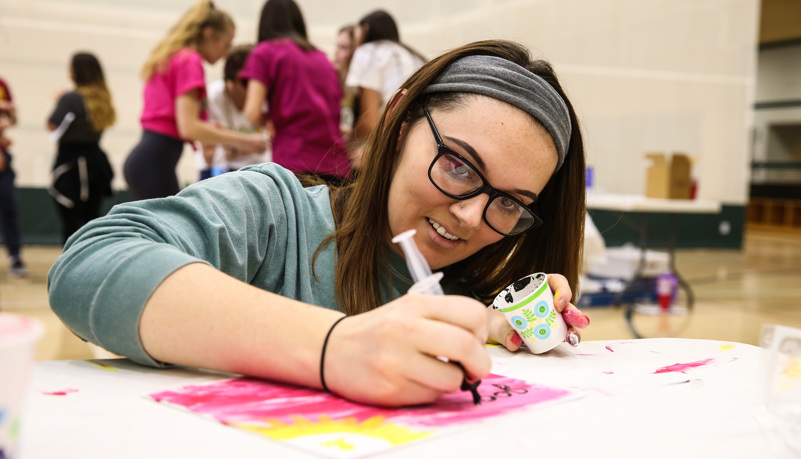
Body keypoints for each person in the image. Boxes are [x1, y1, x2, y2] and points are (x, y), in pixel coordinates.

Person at [48, 39, 590, 408]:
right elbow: (90, 263)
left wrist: (500, 329)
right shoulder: (275, 214)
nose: (473, 216)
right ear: (398, 122)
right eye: (457, 164)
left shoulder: (461, 294)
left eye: (511, 203)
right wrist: (334, 348)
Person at [124, 0, 267, 200]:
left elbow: (183, 122)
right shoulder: (189, 60)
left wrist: (213, 131)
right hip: (155, 159)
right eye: (226, 44)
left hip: (150, 157)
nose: (227, 54)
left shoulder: (172, 56)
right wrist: (246, 141)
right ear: (208, 34)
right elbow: (189, 127)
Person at [240, 0, 350, 185]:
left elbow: (251, 113)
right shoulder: (322, 58)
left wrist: (268, 118)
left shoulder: (265, 52)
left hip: (294, 164)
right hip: (337, 168)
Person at [47, 52, 116, 244]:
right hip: (95, 162)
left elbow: (52, 124)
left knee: (70, 221)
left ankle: (69, 265)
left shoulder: (71, 98)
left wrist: (60, 101)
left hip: (71, 163)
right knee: (91, 219)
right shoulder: (103, 99)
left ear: (77, 71)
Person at [345, 10, 426, 167]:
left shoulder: (367, 51)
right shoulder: (414, 55)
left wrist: (345, 143)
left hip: (393, 144)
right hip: (420, 144)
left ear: (365, 29)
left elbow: (369, 123)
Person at [198, 44, 271, 181]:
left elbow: (271, 143)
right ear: (241, 76)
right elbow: (209, 154)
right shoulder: (212, 95)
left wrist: (235, 147)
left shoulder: (265, 96)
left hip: (258, 171)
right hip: (218, 171)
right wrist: (248, 146)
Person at [0, 77, 27, 277]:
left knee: (9, 206)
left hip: (3, 155)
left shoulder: (3, 85)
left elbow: (12, 117)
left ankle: (15, 257)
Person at [333, 25, 359, 145]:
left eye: (343, 47)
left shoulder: (362, 87)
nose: (336, 51)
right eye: (337, 46)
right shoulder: (330, 79)